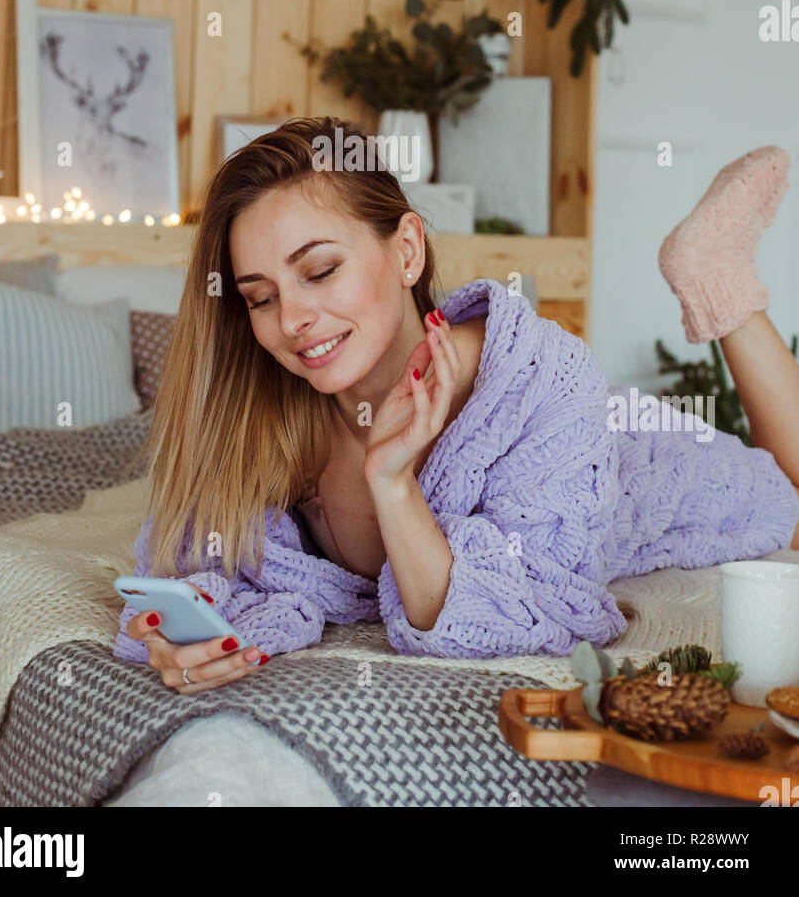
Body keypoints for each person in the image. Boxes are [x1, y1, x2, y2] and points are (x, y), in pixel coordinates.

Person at [113, 123, 799, 693]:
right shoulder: (267, 409)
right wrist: (179, 634)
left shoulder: (546, 383)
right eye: (261, 296)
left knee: (791, 500)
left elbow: (525, 612)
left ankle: (717, 278)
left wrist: (392, 483)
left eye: (320, 271)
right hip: (581, 424)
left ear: (406, 250)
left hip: (610, 457)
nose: (293, 317)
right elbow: (187, 562)